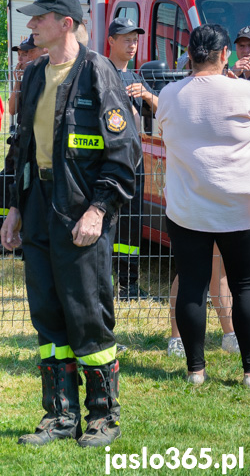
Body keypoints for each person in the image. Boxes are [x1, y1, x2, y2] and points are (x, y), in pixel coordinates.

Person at [1, 0, 140, 447]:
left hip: (82, 209)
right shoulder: (37, 72)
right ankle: (59, 417)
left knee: (87, 314)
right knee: (47, 313)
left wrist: (99, 210)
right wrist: (14, 209)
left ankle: (103, 418)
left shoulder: (97, 72)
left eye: (38, 19)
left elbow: (124, 155)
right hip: (39, 205)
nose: (30, 26)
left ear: (65, 22)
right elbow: (20, 147)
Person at [155, 23, 250, 388]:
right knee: (247, 286)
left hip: (188, 207)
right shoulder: (244, 91)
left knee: (192, 285)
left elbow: (164, 135)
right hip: (241, 205)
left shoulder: (169, 94)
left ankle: (195, 370)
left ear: (189, 54)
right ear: (225, 53)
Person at [0, 36, 44, 253]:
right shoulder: (25, 77)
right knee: (4, 185)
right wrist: (18, 82)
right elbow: (12, 109)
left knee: (27, 191)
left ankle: (19, 239)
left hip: (36, 145)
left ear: (40, 51)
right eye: (20, 54)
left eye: (27, 53)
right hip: (19, 142)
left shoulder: (45, 75)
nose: (21, 58)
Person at [105, 17, 154, 301]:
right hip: (110, 160)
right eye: (126, 39)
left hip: (134, 162)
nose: (132, 44)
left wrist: (147, 95)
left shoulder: (136, 78)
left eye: (135, 39)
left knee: (132, 224)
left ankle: (129, 284)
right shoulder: (101, 72)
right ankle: (104, 282)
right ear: (111, 41)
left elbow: (156, 113)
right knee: (107, 221)